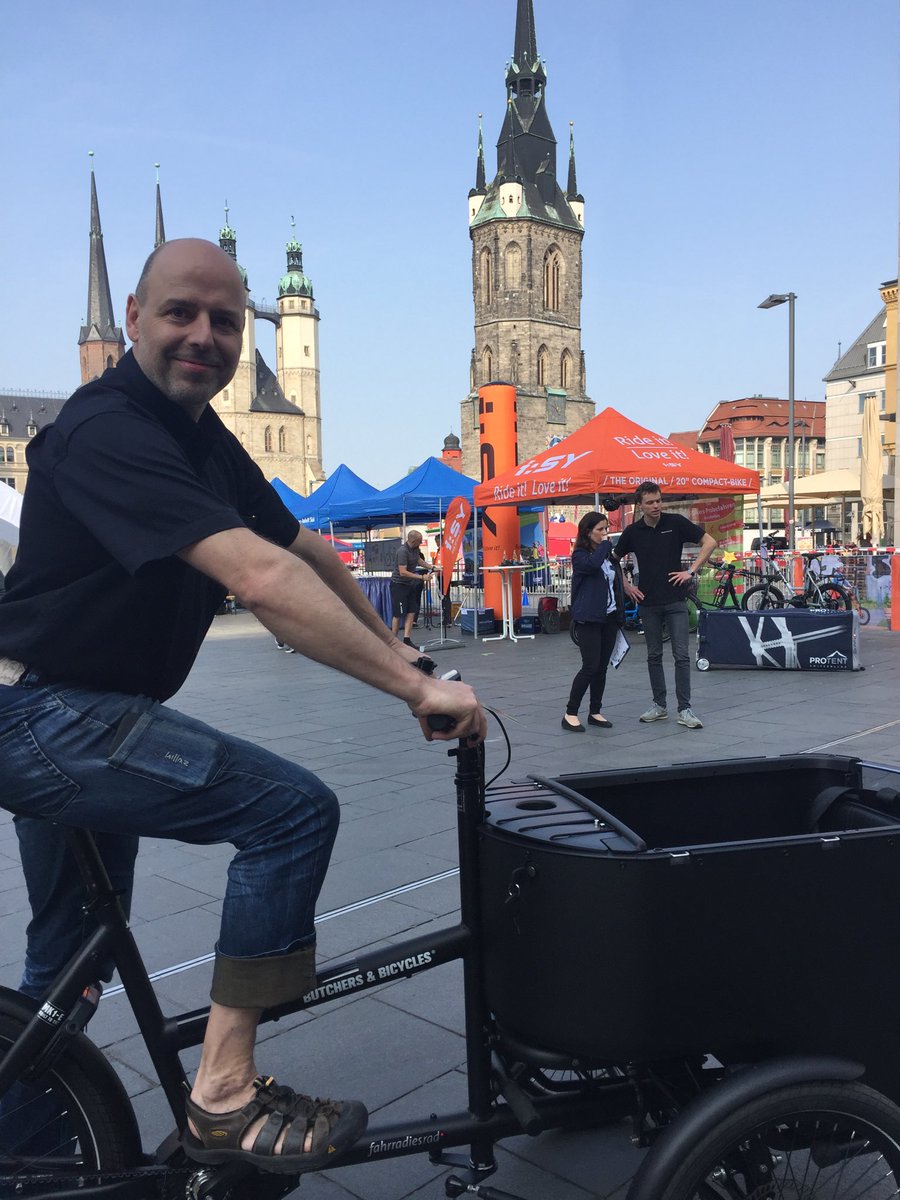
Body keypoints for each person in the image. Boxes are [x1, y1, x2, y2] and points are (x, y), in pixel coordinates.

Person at [0, 239, 486, 1174]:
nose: (205, 336)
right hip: (48, 715)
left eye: (226, 320)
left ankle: (26, 1161)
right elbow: (260, 579)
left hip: (65, 714)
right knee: (291, 811)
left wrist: (405, 651)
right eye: (181, 312)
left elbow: (305, 548)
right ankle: (222, 1093)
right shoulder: (107, 430)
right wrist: (415, 691)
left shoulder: (204, 441)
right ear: (132, 319)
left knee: (69, 972)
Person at [612, 481, 716, 730]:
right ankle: (659, 705)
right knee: (653, 655)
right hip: (647, 603)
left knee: (681, 655)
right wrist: (627, 587)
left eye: (658, 500)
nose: (656, 505)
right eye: (650, 502)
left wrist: (690, 571)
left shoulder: (676, 523)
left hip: (675, 600)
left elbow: (710, 542)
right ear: (640, 506)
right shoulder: (633, 531)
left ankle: (685, 709)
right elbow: (613, 559)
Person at [562, 511, 625, 732]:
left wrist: (620, 612)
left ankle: (595, 711)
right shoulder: (580, 555)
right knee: (589, 666)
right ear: (588, 532)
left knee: (601, 668)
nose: (605, 534)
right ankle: (570, 713)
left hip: (608, 617)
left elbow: (614, 582)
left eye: (606, 529)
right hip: (588, 618)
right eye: (600, 530)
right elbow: (590, 566)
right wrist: (606, 547)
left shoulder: (606, 556)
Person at [390, 529, 432, 646]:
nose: (421, 542)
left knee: (412, 611)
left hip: (409, 585)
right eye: (420, 541)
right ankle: (393, 641)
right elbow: (403, 572)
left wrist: (432, 567)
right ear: (413, 541)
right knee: (398, 614)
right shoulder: (402, 551)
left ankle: (407, 640)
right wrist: (421, 577)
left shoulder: (415, 549)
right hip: (399, 585)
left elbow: (418, 560)